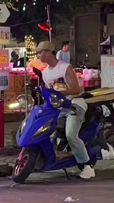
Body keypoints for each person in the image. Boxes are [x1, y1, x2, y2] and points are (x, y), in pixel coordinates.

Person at [36, 41, 94, 179]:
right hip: (58, 108)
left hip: (74, 104)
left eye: (40, 52)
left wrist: (58, 93)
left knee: (71, 135)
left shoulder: (65, 67)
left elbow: (76, 89)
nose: (38, 55)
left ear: (48, 52)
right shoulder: (45, 73)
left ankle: (86, 166)